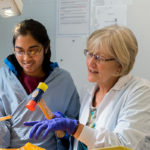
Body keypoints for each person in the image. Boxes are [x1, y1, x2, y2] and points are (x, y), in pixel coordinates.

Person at [24, 25, 150, 150]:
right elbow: (83, 141)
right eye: (90, 54)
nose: (90, 63)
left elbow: (124, 145)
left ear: (120, 65)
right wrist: (65, 133)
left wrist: (75, 128)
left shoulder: (140, 92)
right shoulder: (88, 91)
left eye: (99, 58)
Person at [0, 19, 80, 150]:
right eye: (19, 51)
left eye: (33, 50)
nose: (26, 58)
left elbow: (75, 131)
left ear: (46, 48)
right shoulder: (3, 78)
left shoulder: (63, 80)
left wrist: (63, 131)